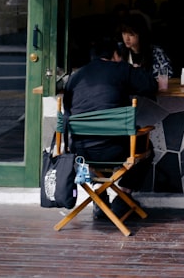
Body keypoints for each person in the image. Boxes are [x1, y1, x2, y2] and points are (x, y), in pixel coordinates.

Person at [63, 41, 157, 218]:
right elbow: (151, 85)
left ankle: (99, 195)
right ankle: (124, 196)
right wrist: (135, 70)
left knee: (99, 143)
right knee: (147, 147)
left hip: (81, 151)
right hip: (117, 150)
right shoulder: (121, 69)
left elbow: (67, 113)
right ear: (115, 55)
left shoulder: (76, 77)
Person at [118, 11, 173, 86]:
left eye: (131, 34)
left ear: (141, 33)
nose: (126, 38)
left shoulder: (156, 52)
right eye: (124, 33)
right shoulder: (118, 50)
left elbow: (167, 74)